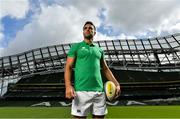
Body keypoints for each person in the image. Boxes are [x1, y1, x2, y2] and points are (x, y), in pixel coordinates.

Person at [64, 21, 121, 119]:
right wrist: (68, 86)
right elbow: (68, 67)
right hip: (81, 92)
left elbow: (106, 69)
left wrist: (117, 84)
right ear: (83, 32)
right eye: (85, 28)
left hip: (99, 92)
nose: (87, 29)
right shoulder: (76, 47)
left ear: (94, 32)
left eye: (90, 28)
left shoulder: (99, 50)